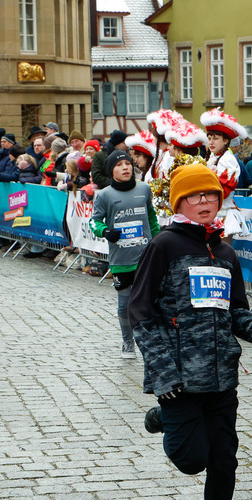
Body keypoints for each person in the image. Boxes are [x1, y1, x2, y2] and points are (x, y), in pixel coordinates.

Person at [128, 163, 252, 500]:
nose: (204, 202)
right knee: (192, 459)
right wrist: (162, 374)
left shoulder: (225, 252)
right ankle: (166, 417)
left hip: (220, 378)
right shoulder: (164, 246)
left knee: (224, 460)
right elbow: (140, 312)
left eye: (210, 195)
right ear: (179, 203)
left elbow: (235, 311)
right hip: (177, 379)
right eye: (194, 196)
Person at [91, 149, 159, 359]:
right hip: (121, 260)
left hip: (146, 257)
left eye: (128, 164)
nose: (126, 168)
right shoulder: (104, 195)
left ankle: (152, 342)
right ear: (112, 171)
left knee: (151, 302)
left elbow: (152, 219)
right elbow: (94, 221)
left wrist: (158, 241)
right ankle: (127, 341)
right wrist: (105, 231)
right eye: (120, 165)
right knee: (124, 305)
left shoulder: (144, 189)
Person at [200, 108, 246, 238]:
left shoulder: (228, 160)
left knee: (222, 252)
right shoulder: (212, 157)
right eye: (209, 138)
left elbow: (223, 190)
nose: (211, 142)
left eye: (215, 138)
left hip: (224, 212)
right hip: (212, 210)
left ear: (225, 140)